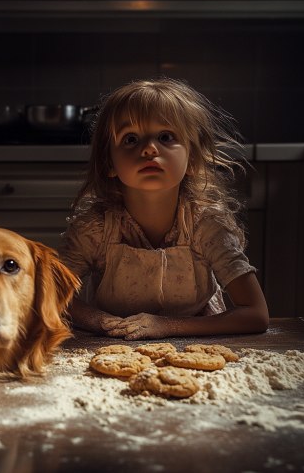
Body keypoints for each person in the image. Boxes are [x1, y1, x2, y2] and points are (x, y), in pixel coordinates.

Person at [57, 78, 269, 341]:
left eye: (166, 137)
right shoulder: (94, 229)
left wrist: (167, 326)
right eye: (131, 139)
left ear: (191, 158)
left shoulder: (207, 225)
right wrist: (102, 322)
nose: (149, 148)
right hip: (111, 344)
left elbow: (256, 314)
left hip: (199, 345)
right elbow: (52, 294)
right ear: (108, 161)